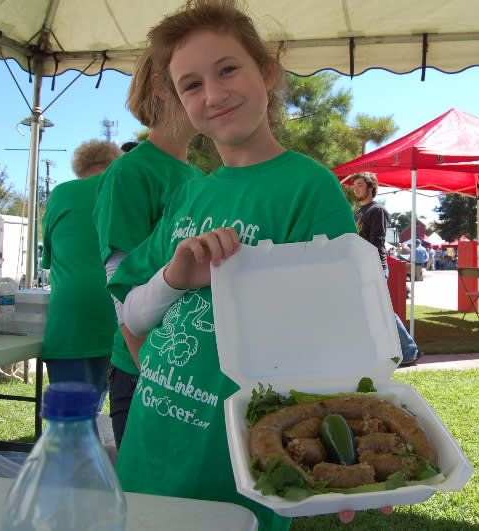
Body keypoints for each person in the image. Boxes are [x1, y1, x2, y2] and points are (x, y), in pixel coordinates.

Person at [106, 2, 370, 527]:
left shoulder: (307, 188)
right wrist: (172, 281)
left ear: (266, 71)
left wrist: (348, 445)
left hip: (240, 461)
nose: (214, 94)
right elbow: (130, 313)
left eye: (227, 69)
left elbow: (338, 334)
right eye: (192, 85)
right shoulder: (188, 196)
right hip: (150, 447)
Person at [93, 49, 203, 449]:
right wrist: (150, 368)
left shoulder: (198, 176)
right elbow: (118, 273)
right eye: (192, 82)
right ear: (160, 85)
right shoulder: (131, 171)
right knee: (148, 506)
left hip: (191, 363)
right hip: (145, 367)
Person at [40, 140, 121, 411]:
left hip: (70, 317)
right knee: (119, 413)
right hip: (121, 311)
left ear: (80, 167)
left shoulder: (61, 194)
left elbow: (48, 259)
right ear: (115, 163)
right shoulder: (122, 192)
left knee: (72, 418)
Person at [351, 172, 422, 367]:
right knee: (366, 312)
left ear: (371, 187)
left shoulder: (377, 210)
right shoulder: (357, 212)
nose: (355, 188)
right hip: (359, 267)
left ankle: (409, 352)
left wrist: (367, 264)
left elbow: (376, 241)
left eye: (359, 184)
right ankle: (374, 352)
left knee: (381, 311)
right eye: (354, 185)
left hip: (374, 266)